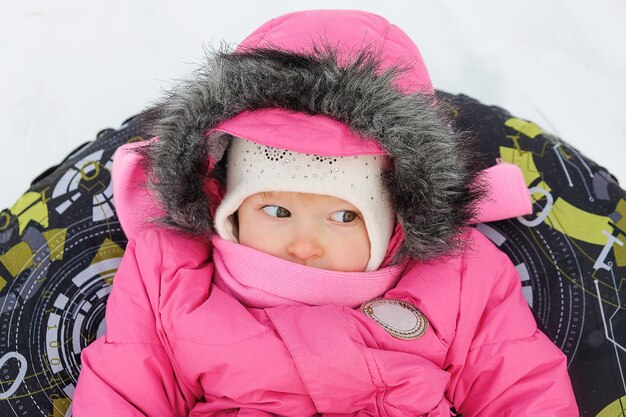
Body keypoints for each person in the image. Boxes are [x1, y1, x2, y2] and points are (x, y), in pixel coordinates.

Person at [72, 9, 578, 416]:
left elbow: (518, 385)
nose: (305, 244)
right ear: (228, 202)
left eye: (343, 217)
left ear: (395, 214)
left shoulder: (460, 276)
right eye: (275, 209)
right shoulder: (173, 271)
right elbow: (126, 385)